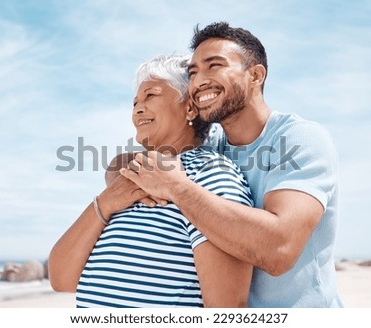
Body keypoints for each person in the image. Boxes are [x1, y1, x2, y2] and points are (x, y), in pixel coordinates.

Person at [120, 22, 343, 307]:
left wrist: (176, 188)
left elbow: (279, 248)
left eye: (214, 66)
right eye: (193, 72)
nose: (199, 81)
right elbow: (127, 162)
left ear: (255, 75)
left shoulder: (298, 137)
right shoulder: (214, 145)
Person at [48, 54, 254, 307]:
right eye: (135, 102)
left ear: (189, 107)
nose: (138, 109)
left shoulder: (210, 174)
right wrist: (105, 203)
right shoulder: (130, 178)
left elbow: (228, 307)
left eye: (150, 96)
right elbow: (61, 279)